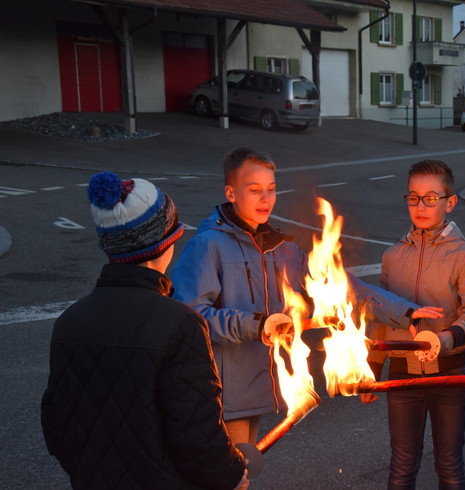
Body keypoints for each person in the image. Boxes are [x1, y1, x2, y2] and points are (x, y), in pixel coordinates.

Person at [171, 148, 440, 446]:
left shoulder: (279, 248)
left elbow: (339, 285)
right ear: (230, 193)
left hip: (254, 388)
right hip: (221, 390)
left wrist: (404, 312)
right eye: (254, 190)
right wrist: (255, 325)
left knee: (242, 474)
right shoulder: (208, 246)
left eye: (271, 189)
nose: (266, 199)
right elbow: (190, 317)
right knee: (231, 478)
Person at [41, 172, 248, 490]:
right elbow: (197, 435)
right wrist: (231, 475)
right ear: (165, 243)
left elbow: (57, 426)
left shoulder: (70, 321)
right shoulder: (180, 323)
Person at [365, 159, 465, 489]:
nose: (421, 206)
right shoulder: (393, 256)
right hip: (402, 375)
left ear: (450, 202)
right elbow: (381, 315)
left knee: (448, 464)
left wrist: (447, 339)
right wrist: (372, 367)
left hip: (450, 373)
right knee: (402, 463)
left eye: (431, 198)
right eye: (413, 197)